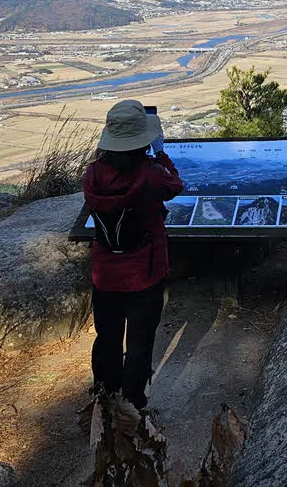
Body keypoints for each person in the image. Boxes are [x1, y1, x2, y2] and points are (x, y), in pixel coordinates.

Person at [83, 98, 183, 411]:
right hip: (145, 272)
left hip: (106, 273)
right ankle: (133, 406)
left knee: (107, 339)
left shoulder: (92, 175)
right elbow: (175, 184)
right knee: (139, 343)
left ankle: (105, 400)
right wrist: (162, 152)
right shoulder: (151, 175)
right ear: (141, 141)